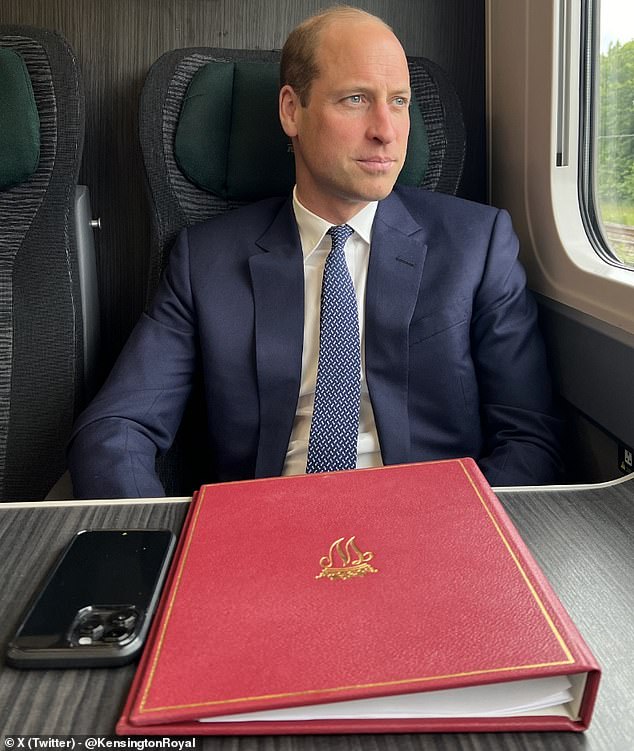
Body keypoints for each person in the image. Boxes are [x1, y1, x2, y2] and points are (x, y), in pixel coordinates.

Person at [68, 5, 563, 499]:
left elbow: (529, 436)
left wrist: (468, 537)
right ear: (291, 110)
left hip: (430, 526)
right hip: (269, 531)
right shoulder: (206, 261)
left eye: (398, 102)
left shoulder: (477, 245)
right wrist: (168, 549)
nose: (386, 131)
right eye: (355, 99)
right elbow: (115, 430)